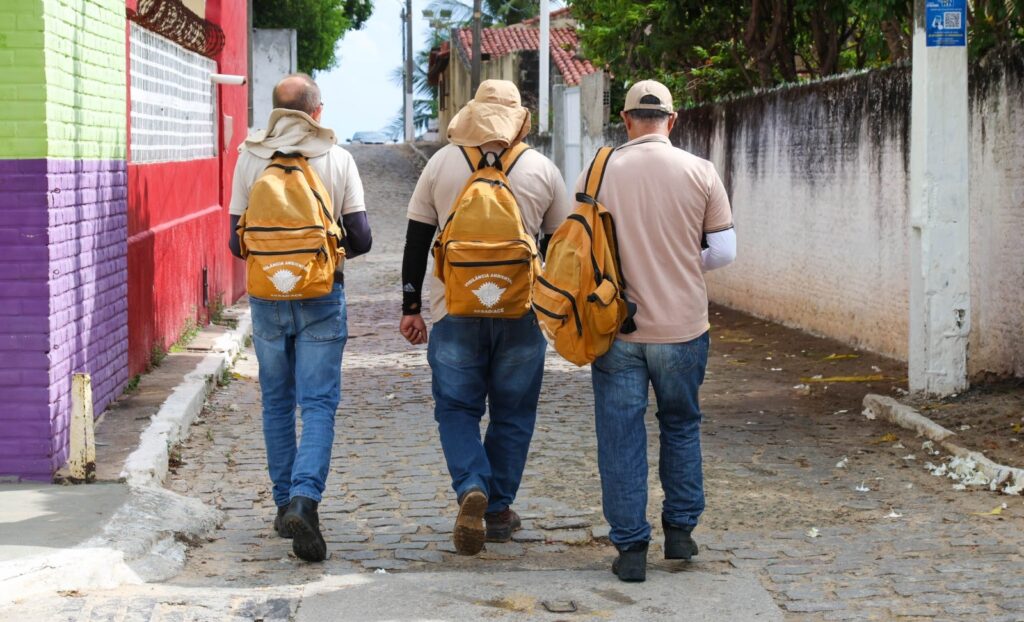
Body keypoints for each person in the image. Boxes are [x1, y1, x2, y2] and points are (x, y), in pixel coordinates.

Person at [400, 80, 571, 556]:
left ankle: (472, 484)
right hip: (522, 311)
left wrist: (411, 307)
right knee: (513, 413)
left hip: (454, 309)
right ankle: (496, 511)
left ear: (471, 113)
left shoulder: (442, 163)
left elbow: (416, 241)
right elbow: (561, 249)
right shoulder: (541, 168)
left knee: (456, 408)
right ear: (519, 120)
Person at [579, 80, 736, 582]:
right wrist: (683, 263)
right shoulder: (700, 170)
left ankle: (630, 549)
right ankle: (681, 531)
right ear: (672, 119)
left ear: (626, 120)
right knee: (681, 424)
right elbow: (725, 251)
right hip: (683, 327)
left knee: (620, 436)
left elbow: (579, 247)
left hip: (617, 328)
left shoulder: (599, 170)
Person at [228, 73, 372, 562]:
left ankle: (281, 503)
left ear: (274, 109)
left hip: (267, 297)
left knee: (275, 402)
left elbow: (235, 241)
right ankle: (305, 500)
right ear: (317, 111)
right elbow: (362, 237)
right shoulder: (337, 157)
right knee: (317, 404)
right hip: (321, 295)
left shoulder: (250, 157)